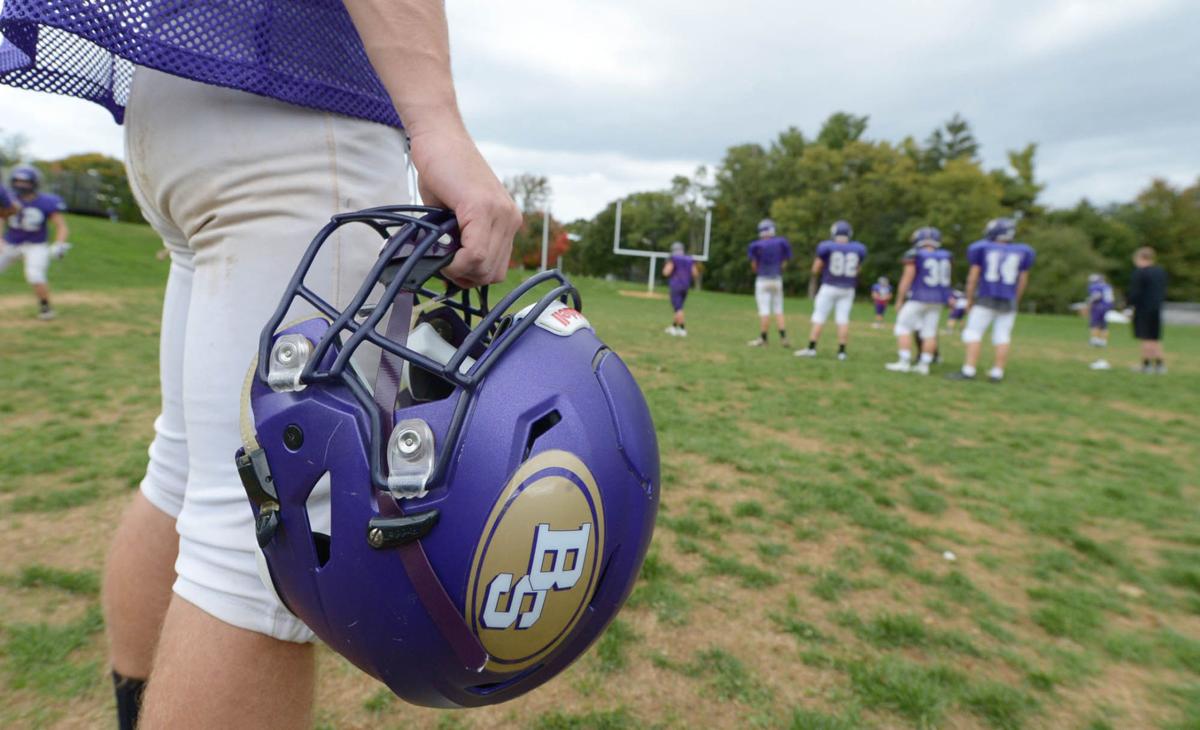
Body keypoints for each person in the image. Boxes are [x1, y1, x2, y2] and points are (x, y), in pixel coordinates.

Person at [0, 2, 521, 728]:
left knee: (184, 475)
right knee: (261, 561)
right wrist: (437, 123)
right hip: (299, 105)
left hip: (173, 97)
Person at [948, 218, 1035, 382]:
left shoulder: (982, 248)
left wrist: (969, 298)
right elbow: (1023, 280)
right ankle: (997, 372)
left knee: (973, 333)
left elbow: (973, 277)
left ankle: (969, 369)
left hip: (985, 298)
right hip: (1009, 299)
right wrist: (1016, 298)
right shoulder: (1023, 251)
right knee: (1002, 336)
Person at [0, 166, 70, 320]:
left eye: (25, 182)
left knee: (35, 275)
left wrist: (59, 244)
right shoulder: (8, 198)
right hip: (11, 243)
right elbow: (1, 218)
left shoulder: (46, 201)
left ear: (34, 183)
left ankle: (45, 307)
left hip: (35, 245)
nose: (20, 185)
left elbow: (61, 226)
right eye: (17, 181)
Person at [795, 220, 867, 360]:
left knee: (819, 317)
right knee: (843, 319)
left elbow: (815, 269)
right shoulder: (857, 249)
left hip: (829, 286)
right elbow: (858, 269)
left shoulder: (827, 247)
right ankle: (841, 352)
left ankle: (811, 348)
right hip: (848, 289)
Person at [886, 227, 951, 375]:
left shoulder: (915, 254)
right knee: (929, 332)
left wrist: (899, 299)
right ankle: (924, 365)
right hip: (937, 299)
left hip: (918, 297)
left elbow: (907, 278)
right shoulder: (945, 256)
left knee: (902, 327)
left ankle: (904, 362)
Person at [746, 218, 792, 347]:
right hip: (777, 279)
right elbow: (784, 263)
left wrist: (760, 271)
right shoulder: (781, 242)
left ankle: (763, 338)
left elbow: (754, 265)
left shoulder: (756, 245)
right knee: (779, 309)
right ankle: (783, 338)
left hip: (763, 279)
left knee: (764, 311)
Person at [1128, 247, 1168, 374]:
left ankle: (1146, 365)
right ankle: (1160, 365)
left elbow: (1135, 293)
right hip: (1157, 308)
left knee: (1145, 337)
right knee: (1155, 338)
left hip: (1143, 309)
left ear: (1140, 258)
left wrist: (1129, 305)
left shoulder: (1140, 273)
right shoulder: (1160, 272)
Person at [663, 241, 699, 336]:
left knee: (678, 309)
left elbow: (666, 272)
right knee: (679, 308)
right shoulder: (689, 259)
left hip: (676, 286)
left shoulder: (674, 258)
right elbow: (695, 273)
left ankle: (682, 329)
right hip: (685, 286)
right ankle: (674, 327)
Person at [1086, 273, 1115, 370]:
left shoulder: (1095, 286)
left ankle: (1095, 339)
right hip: (1107, 306)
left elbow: (1096, 296)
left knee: (1094, 323)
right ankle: (1103, 340)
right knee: (1104, 325)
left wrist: (1090, 302)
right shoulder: (1107, 286)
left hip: (1099, 306)